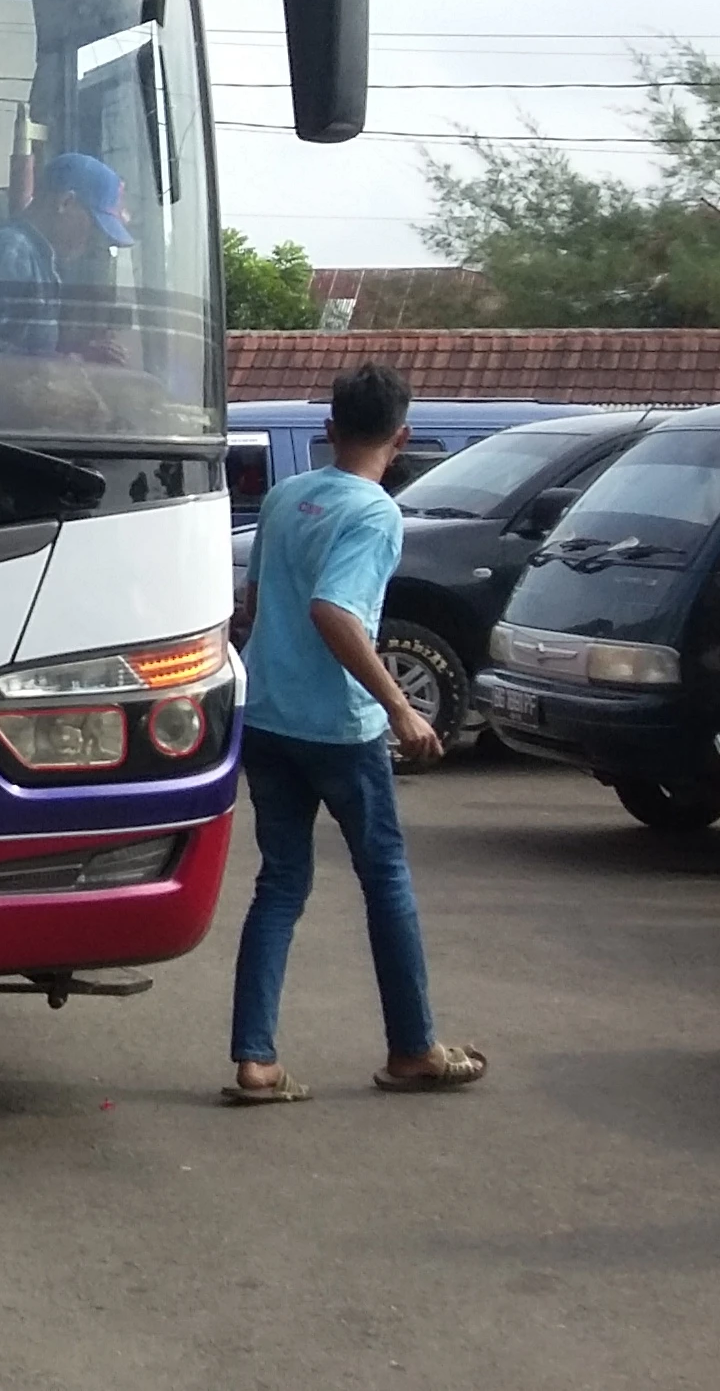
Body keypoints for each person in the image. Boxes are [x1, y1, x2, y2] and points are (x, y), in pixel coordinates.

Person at [225, 362, 488, 1105]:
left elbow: (252, 605)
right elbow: (335, 611)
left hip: (270, 716)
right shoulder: (374, 513)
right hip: (339, 728)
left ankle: (256, 1060)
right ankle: (412, 1048)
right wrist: (402, 708)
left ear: (330, 429)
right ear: (401, 437)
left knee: (279, 884)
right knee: (386, 879)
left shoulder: (284, 497)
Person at [0, 152, 130, 358]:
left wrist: (80, 354)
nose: (92, 242)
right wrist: (69, 363)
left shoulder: (41, 259)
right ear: (66, 203)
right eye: (94, 228)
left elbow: (27, 349)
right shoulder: (11, 250)